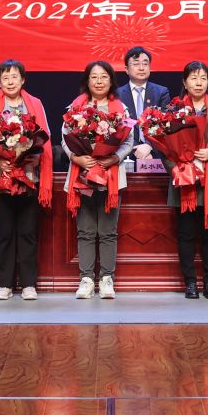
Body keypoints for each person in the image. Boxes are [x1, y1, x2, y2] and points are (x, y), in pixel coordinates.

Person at [0, 59, 53, 300]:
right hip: (2, 177)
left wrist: (34, 158)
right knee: (5, 232)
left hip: (28, 176)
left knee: (28, 231)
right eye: (5, 78)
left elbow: (45, 136)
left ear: (23, 80)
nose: (10, 82)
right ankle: (4, 285)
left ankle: (29, 284)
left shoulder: (35, 104)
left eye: (14, 77)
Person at [62, 60, 134, 300]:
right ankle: (85, 279)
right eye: (94, 77)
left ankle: (106, 279)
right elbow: (64, 138)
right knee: (85, 230)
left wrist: (115, 157)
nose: (99, 81)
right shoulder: (75, 107)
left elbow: (128, 141)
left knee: (107, 231)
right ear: (87, 80)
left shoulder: (121, 109)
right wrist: (76, 157)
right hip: (83, 175)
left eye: (104, 76)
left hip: (110, 175)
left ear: (111, 80)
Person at [171, 61, 208, 299]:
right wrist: (176, 170)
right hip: (184, 182)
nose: (199, 83)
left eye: (203, 78)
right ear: (185, 82)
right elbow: (164, 148)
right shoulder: (174, 110)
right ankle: (190, 283)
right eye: (194, 78)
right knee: (185, 234)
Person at [118, 45, 171, 166]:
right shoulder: (117, 95)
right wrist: (135, 148)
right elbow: (117, 128)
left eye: (145, 64)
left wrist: (149, 146)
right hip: (125, 154)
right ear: (126, 69)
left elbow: (166, 125)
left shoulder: (161, 92)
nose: (141, 68)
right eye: (136, 64)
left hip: (155, 154)